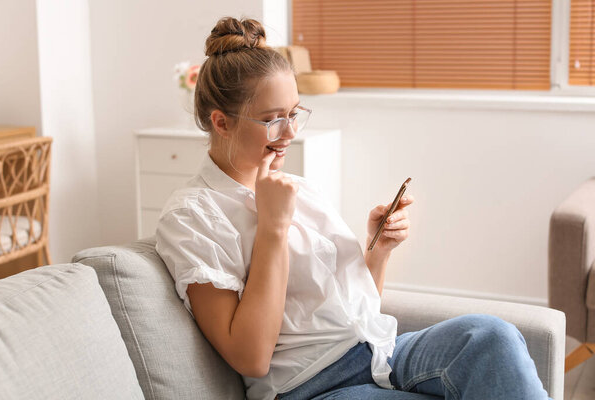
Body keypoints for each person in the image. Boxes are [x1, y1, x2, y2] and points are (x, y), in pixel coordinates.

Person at [155, 16, 553, 400]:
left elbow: (358, 312)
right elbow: (251, 357)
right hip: (309, 385)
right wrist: (273, 228)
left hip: (381, 352)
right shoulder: (192, 217)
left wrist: (377, 252)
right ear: (221, 122)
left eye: (294, 114)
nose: (290, 133)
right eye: (273, 120)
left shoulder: (298, 189)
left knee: (492, 337)